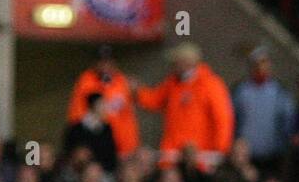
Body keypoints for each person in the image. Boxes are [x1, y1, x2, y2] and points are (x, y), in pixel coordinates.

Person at [134, 43, 235, 171]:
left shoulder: (211, 84)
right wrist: (137, 93)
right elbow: (155, 100)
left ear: (187, 63)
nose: (172, 65)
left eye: (176, 62)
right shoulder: (172, 83)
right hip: (172, 152)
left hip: (200, 154)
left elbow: (223, 118)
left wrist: (220, 149)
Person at [66, 45, 139, 159]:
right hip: (98, 148)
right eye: (101, 61)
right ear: (95, 63)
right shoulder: (86, 81)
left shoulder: (122, 81)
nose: (105, 65)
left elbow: (129, 112)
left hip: (125, 148)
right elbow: (77, 117)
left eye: (108, 61)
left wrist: (138, 93)